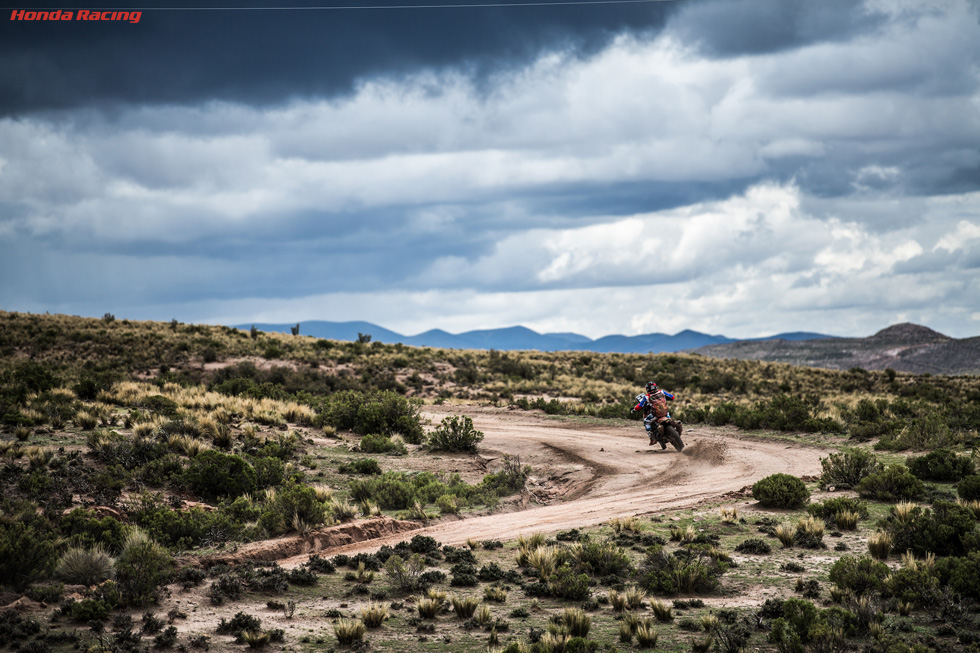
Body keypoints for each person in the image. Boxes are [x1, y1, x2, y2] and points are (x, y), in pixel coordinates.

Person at [631, 381, 675, 447]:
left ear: (647, 389)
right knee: (670, 419)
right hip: (665, 413)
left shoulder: (647, 397)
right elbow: (672, 397)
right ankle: (674, 429)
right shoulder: (662, 392)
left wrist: (634, 409)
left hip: (656, 415)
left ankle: (652, 439)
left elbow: (640, 406)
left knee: (646, 422)